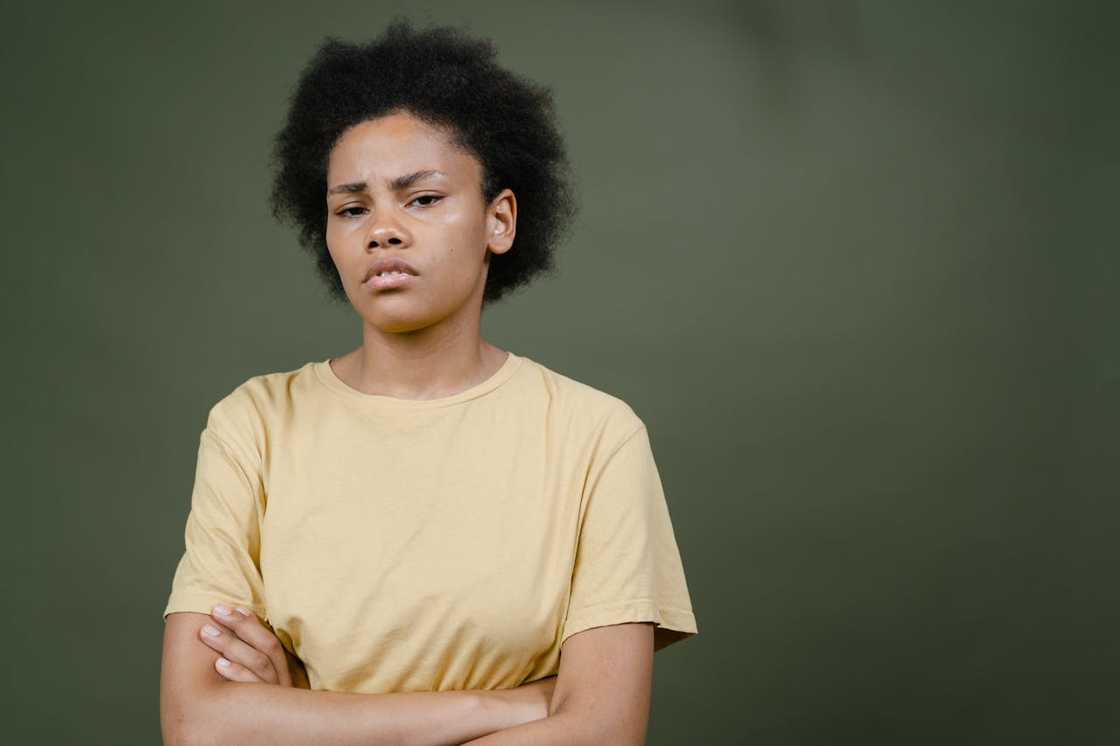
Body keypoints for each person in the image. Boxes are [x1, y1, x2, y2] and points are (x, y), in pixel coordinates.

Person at [159, 18, 698, 746]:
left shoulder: (595, 437)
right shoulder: (253, 425)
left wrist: (299, 718)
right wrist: (504, 706)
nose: (382, 230)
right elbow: (199, 726)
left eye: (422, 198)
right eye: (352, 208)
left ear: (499, 220)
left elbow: (600, 734)